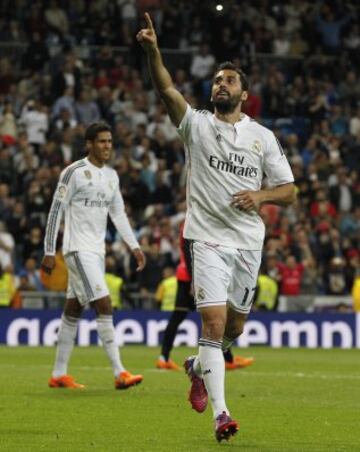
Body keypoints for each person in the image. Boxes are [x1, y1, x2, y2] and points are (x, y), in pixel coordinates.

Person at [137, 14, 296, 442]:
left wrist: (260, 197)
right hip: (205, 238)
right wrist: (153, 51)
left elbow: (290, 190)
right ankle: (222, 415)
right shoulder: (197, 125)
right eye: (217, 80)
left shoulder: (261, 137)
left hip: (247, 240)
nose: (220, 84)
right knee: (212, 323)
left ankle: (196, 366)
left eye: (229, 80)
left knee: (234, 329)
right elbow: (166, 89)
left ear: (244, 93)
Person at [41, 121, 146, 390]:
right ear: (89, 144)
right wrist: (49, 250)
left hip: (96, 252)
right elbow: (56, 211)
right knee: (104, 304)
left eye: (110, 141)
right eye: (101, 141)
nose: (107, 146)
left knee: (73, 309)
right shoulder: (73, 172)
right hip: (77, 250)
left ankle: (58, 374)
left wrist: (134, 246)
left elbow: (118, 213)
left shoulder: (111, 176)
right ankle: (120, 372)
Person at [156, 223, 255, 371]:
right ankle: (227, 359)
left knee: (185, 317)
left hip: (195, 275)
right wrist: (194, 280)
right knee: (216, 317)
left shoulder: (198, 218)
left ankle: (164, 358)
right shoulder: (194, 221)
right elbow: (188, 250)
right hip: (195, 276)